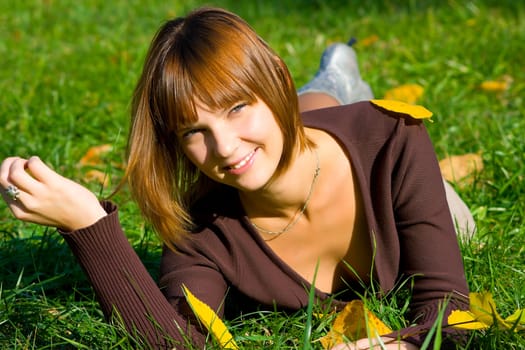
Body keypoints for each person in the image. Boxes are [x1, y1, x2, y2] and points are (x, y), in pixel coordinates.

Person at [0, 7, 473, 350]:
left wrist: (407, 346)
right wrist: (87, 224)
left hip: (358, 151)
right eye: (194, 130)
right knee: (282, 129)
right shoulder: (200, 230)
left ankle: (336, 74)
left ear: (274, 82)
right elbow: (179, 344)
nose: (223, 147)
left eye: (237, 106)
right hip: (288, 127)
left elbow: (447, 304)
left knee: (458, 222)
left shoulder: (395, 139)